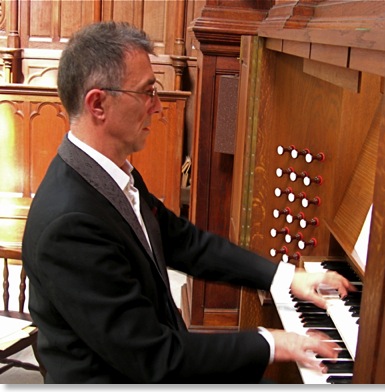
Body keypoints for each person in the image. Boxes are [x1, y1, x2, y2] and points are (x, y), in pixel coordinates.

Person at [21, 21, 356, 384]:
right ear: (98, 104)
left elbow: (185, 242)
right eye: (148, 92)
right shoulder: (69, 225)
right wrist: (273, 342)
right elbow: (155, 357)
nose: (158, 106)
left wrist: (286, 277)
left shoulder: (110, 175)